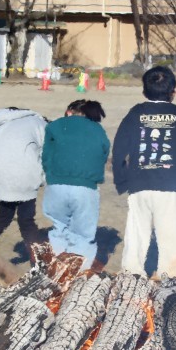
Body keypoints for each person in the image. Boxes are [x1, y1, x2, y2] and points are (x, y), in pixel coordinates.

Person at [112, 66, 176, 279]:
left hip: (139, 183)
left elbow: (119, 149)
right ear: (173, 92)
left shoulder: (136, 113)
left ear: (144, 91)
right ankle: (169, 277)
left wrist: (122, 179)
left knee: (136, 233)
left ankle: (131, 274)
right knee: (171, 234)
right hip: (171, 185)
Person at [42, 100, 110, 271]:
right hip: (85, 187)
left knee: (58, 229)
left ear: (69, 111)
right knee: (83, 235)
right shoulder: (97, 129)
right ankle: (78, 273)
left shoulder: (55, 126)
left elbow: (46, 155)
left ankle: (56, 270)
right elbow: (104, 153)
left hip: (56, 185)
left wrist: (52, 174)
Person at [0, 107, 47, 255]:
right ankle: (39, 261)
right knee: (26, 221)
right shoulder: (40, 124)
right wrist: (42, 179)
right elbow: (47, 155)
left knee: (3, 217)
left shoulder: (0, 127)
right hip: (24, 176)